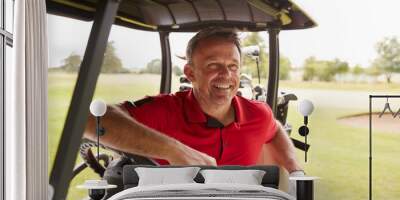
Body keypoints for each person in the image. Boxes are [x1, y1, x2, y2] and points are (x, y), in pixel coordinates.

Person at [84, 27, 303, 173]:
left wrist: (293, 168)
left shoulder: (258, 114)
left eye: (232, 66)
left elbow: (274, 130)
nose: (226, 75)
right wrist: (174, 151)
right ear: (190, 73)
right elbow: (90, 120)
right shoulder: (164, 110)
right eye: (213, 65)